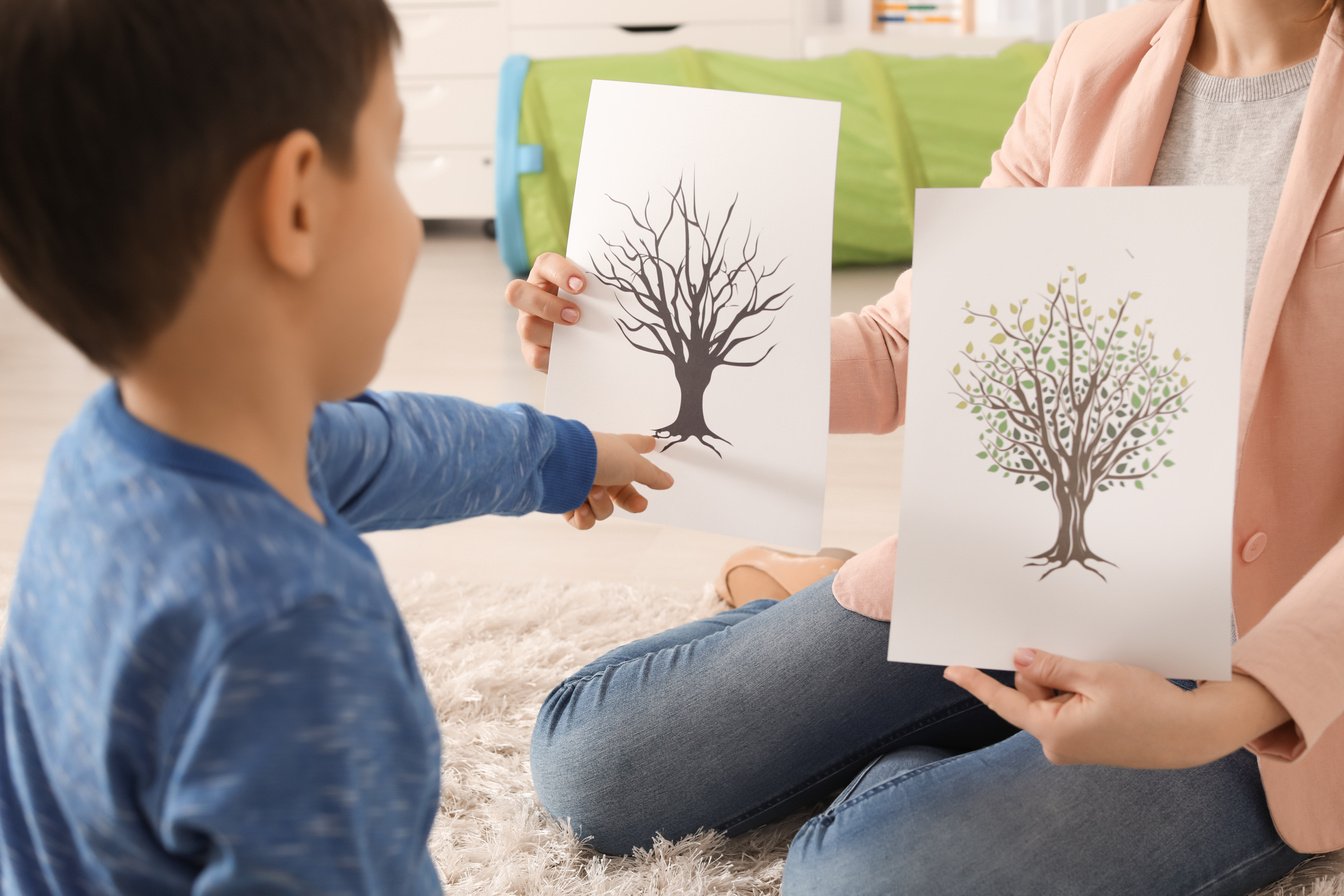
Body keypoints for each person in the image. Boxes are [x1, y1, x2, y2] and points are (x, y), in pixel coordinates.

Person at [507, 0, 1344, 890]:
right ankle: (859, 627)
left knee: (858, 876)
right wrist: (622, 347)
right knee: (594, 767)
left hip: (1274, 654)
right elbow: (919, 340)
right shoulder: (1097, 59)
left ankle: (891, 696)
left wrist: (1227, 713)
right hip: (1033, 571)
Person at [0, 1, 673, 892]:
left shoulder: (108, 455)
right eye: (392, 163)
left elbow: (402, 448)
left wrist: (570, 457)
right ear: (299, 205)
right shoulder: (291, 634)